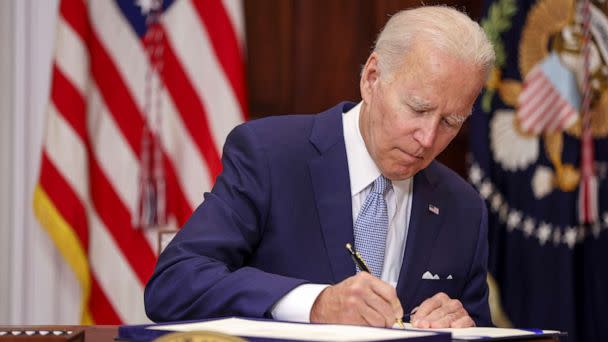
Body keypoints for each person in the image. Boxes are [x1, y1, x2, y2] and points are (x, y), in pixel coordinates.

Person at [145, 5, 495, 329]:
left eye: (450, 122)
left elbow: (479, 329)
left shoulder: (462, 207)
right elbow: (174, 284)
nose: (428, 137)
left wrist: (461, 327)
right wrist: (314, 304)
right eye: (418, 109)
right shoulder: (270, 156)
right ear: (372, 78)